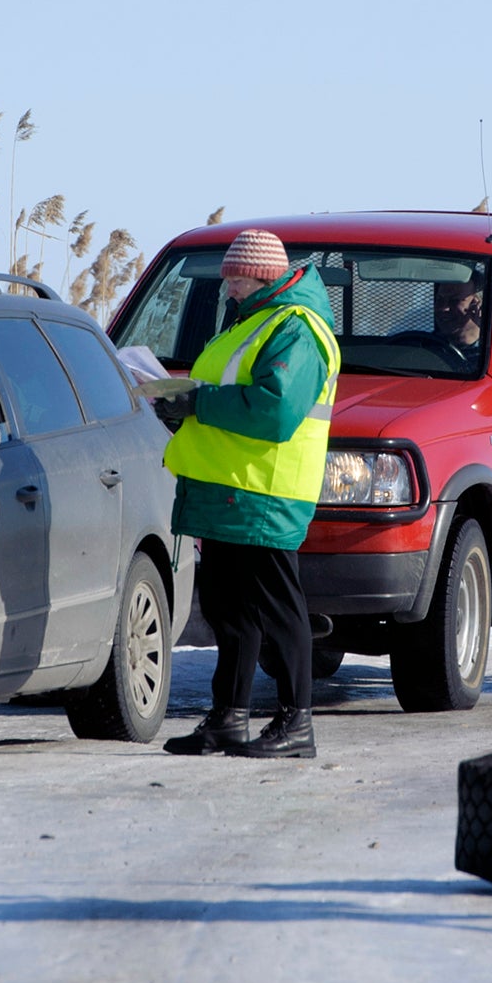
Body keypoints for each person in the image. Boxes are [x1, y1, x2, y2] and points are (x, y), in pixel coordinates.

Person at [160, 229, 340, 759]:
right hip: (230, 491)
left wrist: (198, 402)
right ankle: (228, 718)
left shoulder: (297, 329)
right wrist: (182, 404)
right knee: (227, 609)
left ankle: (295, 722)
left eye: (235, 278)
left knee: (279, 610)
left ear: (261, 276)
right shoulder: (252, 321)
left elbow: (276, 410)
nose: (228, 289)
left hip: (266, 492)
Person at [432, 279, 484, 363]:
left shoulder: (491, 358)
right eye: (440, 299)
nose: (444, 308)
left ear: (478, 305)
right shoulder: (423, 346)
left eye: (454, 300)